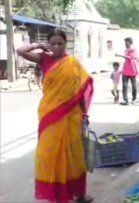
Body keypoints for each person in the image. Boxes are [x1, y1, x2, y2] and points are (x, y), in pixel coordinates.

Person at [16, 29, 94, 203]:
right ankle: (58, 194)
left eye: (60, 43)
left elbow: (79, 91)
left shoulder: (72, 63)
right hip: (50, 114)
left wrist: (85, 114)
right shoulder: (44, 58)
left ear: (65, 43)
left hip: (72, 115)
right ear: (49, 44)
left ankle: (79, 194)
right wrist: (38, 45)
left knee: (75, 156)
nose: (57, 47)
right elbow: (20, 51)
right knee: (50, 154)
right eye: (53, 43)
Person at [116, 37, 139, 105]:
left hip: (132, 69)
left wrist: (120, 55)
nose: (125, 43)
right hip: (126, 69)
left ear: (130, 43)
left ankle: (134, 98)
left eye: (127, 42)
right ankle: (125, 100)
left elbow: (130, 57)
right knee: (124, 85)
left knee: (133, 85)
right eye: (125, 42)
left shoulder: (133, 50)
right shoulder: (126, 50)